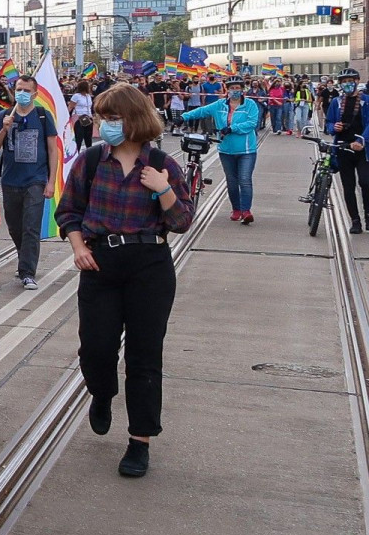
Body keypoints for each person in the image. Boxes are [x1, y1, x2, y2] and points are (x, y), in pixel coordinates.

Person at [55, 83, 194, 478]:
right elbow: (68, 211)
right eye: (102, 119)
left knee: (144, 355)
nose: (104, 126)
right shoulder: (91, 161)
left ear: (133, 119)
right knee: (96, 348)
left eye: (112, 119)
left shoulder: (163, 164)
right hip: (100, 263)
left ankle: (139, 440)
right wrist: (78, 247)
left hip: (149, 265)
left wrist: (163, 189)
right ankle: (102, 391)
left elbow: (182, 221)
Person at [0, 74, 57, 290]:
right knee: (15, 227)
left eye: (27, 90)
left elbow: (53, 150)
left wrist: (51, 182)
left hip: (35, 180)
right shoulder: (4, 115)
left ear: (35, 94)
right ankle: (23, 257)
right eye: (19, 89)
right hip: (10, 181)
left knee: (31, 227)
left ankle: (27, 272)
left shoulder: (43, 116)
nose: (22, 94)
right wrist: (4, 128)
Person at [182, 75, 260, 224]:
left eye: (238, 88)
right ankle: (236, 209)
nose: (235, 91)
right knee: (231, 181)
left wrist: (232, 128)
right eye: (232, 88)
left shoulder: (250, 104)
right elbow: (201, 111)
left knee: (244, 180)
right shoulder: (219, 105)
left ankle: (246, 211)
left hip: (246, 150)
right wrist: (184, 117)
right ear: (227, 90)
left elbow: (252, 123)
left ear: (242, 89)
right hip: (226, 150)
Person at [326, 69, 369, 233]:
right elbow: (329, 123)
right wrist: (333, 127)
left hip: (362, 149)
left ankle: (368, 215)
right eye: (344, 82)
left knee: (365, 182)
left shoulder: (366, 101)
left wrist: (362, 140)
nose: (347, 84)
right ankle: (355, 220)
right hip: (343, 148)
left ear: (357, 81)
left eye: (350, 80)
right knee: (348, 185)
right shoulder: (336, 102)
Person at [70, 80, 94, 151]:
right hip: (79, 118)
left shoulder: (88, 96)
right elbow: (70, 106)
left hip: (88, 118)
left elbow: (89, 107)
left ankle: (89, 152)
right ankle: (77, 153)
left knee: (88, 138)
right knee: (79, 138)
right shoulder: (76, 96)